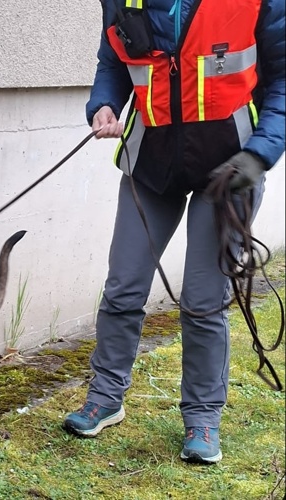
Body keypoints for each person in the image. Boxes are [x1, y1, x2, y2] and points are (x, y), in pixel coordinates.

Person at [62, 0, 285, 465]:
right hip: (151, 165)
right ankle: (105, 398)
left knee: (204, 302)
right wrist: (103, 103)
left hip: (230, 168)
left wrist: (260, 153)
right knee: (123, 287)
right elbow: (113, 62)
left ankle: (202, 417)